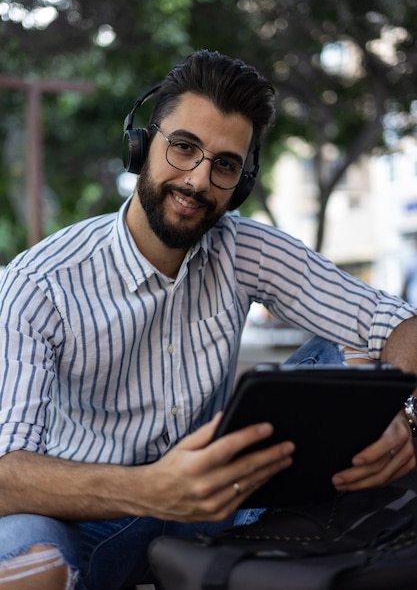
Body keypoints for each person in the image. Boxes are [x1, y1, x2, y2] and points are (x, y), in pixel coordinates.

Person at [0, 49, 416, 590]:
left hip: (231, 506)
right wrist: (150, 488)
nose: (199, 181)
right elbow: (6, 472)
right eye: (183, 147)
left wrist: (408, 415)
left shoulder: (246, 248)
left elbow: (400, 324)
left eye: (224, 164)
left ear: (241, 182)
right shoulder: (38, 283)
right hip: (96, 515)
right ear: (142, 144)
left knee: (351, 362)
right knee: (22, 546)